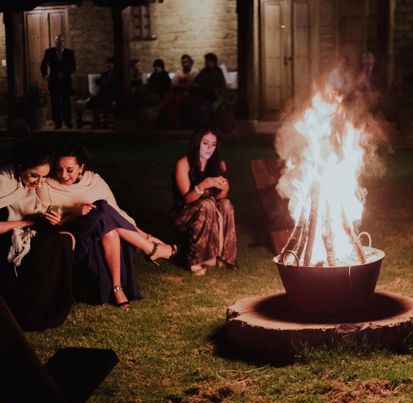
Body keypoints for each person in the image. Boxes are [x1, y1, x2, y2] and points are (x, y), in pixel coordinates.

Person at [39, 144, 177, 309]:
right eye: (58, 169)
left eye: (70, 170)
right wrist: (76, 213)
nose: (63, 175)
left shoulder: (94, 181)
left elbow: (117, 214)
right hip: (74, 239)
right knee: (102, 209)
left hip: (101, 235)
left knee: (106, 218)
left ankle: (116, 286)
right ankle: (151, 250)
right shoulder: (46, 185)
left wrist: (145, 234)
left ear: (81, 167)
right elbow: (51, 224)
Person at [0, 141, 73, 330]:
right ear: (19, 167)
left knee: (62, 240)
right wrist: (25, 223)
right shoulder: (2, 181)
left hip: (25, 231)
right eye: (34, 176)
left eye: (43, 177)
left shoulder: (26, 183)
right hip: (6, 235)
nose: (39, 183)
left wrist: (49, 217)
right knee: (49, 246)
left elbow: (35, 209)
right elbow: (22, 219)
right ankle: (29, 312)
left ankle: (50, 307)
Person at [172, 128, 237, 275]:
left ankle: (224, 256)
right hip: (183, 213)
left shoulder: (218, 164)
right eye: (205, 143)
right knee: (207, 204)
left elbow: (218, 200)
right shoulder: (184, 163)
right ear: (197, 143)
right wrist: (202, 185)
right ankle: (195, 260)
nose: (210, 148)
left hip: (208, 208)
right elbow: (187, 199)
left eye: (213, 144)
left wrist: (225, 189)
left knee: (226, 204)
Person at [40, 34, 75, 129]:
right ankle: (57, 122)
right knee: (55, 103)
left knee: (66, 102)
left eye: (62, 41)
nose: (60, 43)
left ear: (64, 42)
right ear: (55, 42)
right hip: (54, 81)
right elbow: (43, 64)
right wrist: (45, 75)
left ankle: (68, 122)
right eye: (58, 41)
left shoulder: (69, 53)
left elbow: (73, 67)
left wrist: (64, 72)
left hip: (65, 81)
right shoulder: (49, 52)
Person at [164, 54, 198, 129]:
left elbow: (190, 84)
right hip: (177, 91)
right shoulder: (179, 72)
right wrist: (180, 86)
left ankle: (179, 123)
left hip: (189, 93)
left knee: (179, 100)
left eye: (187, 62)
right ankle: (173, 123)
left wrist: (181, 85)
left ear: (191, 62)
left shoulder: (194, 72)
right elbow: (173, 83)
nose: (185, 64)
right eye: (183, 62)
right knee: (168, 99)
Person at [193, 53, 226, 127]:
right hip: (205, 96)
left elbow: (221, 83)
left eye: (206, 60)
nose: (205, 62)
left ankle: (214, 128)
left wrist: (217, 91)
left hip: (215, 96)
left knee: (214, 111)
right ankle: (206, 128)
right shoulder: (204, 71)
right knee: (204, 112)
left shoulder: (218, 71)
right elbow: (196, 82)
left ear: (212, 61)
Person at [86, 57, 116, 129]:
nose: (109, 65)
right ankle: (97, 123)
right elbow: (98, 82)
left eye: (111, 64)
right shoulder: (105, 74)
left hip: (112, 94)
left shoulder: (117, 74)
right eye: (108, 64)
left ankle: (105, 123)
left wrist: (105, 82)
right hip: (103, 93)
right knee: (92, 102)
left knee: (104, 103)